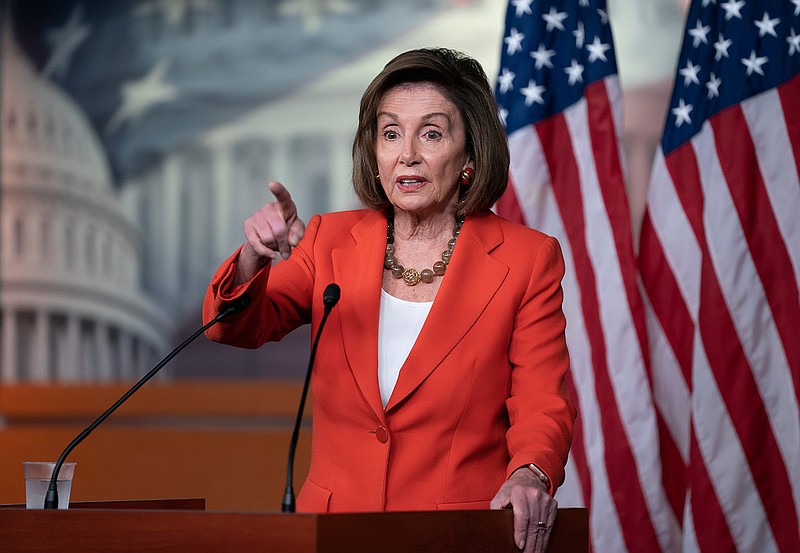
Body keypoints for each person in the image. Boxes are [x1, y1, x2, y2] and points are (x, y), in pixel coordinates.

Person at [203, 47, 576, 553]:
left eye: (432, 133)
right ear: (374, 152)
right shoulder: (327, 241)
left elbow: (542, 402)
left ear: (470, 155)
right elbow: (234, 327)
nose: (408, 154)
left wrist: (531, 474)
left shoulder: (528, 260)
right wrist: (253, 257)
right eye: (391, 133)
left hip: (455, 537)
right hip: (331, 533)